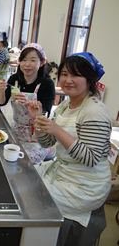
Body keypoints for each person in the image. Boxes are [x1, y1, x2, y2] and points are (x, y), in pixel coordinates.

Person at [29, 52, 111, 246]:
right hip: (64, 172)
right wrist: (37, 121)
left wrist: (58, 131)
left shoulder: (94, 111)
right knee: (25, 176)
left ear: (89, 79)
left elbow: (91, 158)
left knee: (33, 197)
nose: (68, 80)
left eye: (76, 75)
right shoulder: (65, 106)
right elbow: (47, 143)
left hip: (86, 185)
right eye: (64, 74)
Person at [0, 43, 55, 163]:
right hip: (16, 131)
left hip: (38, 137)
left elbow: (45, 114)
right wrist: (1, 91)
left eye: (32, 60)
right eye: (23, 60)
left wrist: (30, 103)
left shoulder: (47, 83)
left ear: (42, 62)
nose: (27, 64)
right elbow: (1, 103)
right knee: (3, 155)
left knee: (22, 160)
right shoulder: (14, 79)